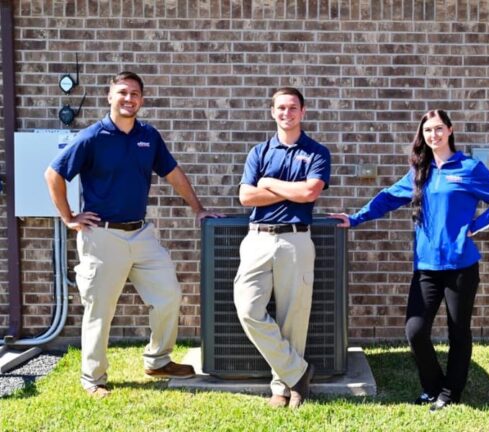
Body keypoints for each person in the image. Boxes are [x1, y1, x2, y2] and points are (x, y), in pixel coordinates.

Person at [44, 71, 221, 398]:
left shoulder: (148, 136)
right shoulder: (92, 137)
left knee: (169, 295)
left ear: (142, 99)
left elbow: (173, 173)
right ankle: (93, 378)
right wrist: (68, 217)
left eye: (135, 93)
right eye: (122, 92)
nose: (129, 99)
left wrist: (198, 208)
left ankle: (158, 360)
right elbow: (53, 173)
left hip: (141, 235)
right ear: (110, 96)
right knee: (100, 311)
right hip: (102, 236)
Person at [331, 109, 489, 411]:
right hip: (427, 267)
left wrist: (475, 225)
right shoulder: (420, 171)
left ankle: (451, 392)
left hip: (461, 267)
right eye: (428, 130)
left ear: (450, 130)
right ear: (423, 135)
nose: (434, 135)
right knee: (415, 330)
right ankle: (433, 386)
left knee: (459, 331)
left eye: (439, 129)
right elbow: (388, 198)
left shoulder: (469, 168)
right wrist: (354, 218)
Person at [233, 87, 331, 409]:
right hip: (258, 238)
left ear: (302, 112)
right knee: (248, 310)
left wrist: (269, 184)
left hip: (295, 239)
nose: (286, 113)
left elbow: (309, 193)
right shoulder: (259, 152)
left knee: (294, 317)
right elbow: (246, 197)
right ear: (272, 112)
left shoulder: (317, 152)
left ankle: (283, 388)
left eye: (292, 108)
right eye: (280, 108)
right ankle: (298, 373)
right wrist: (291, 190)